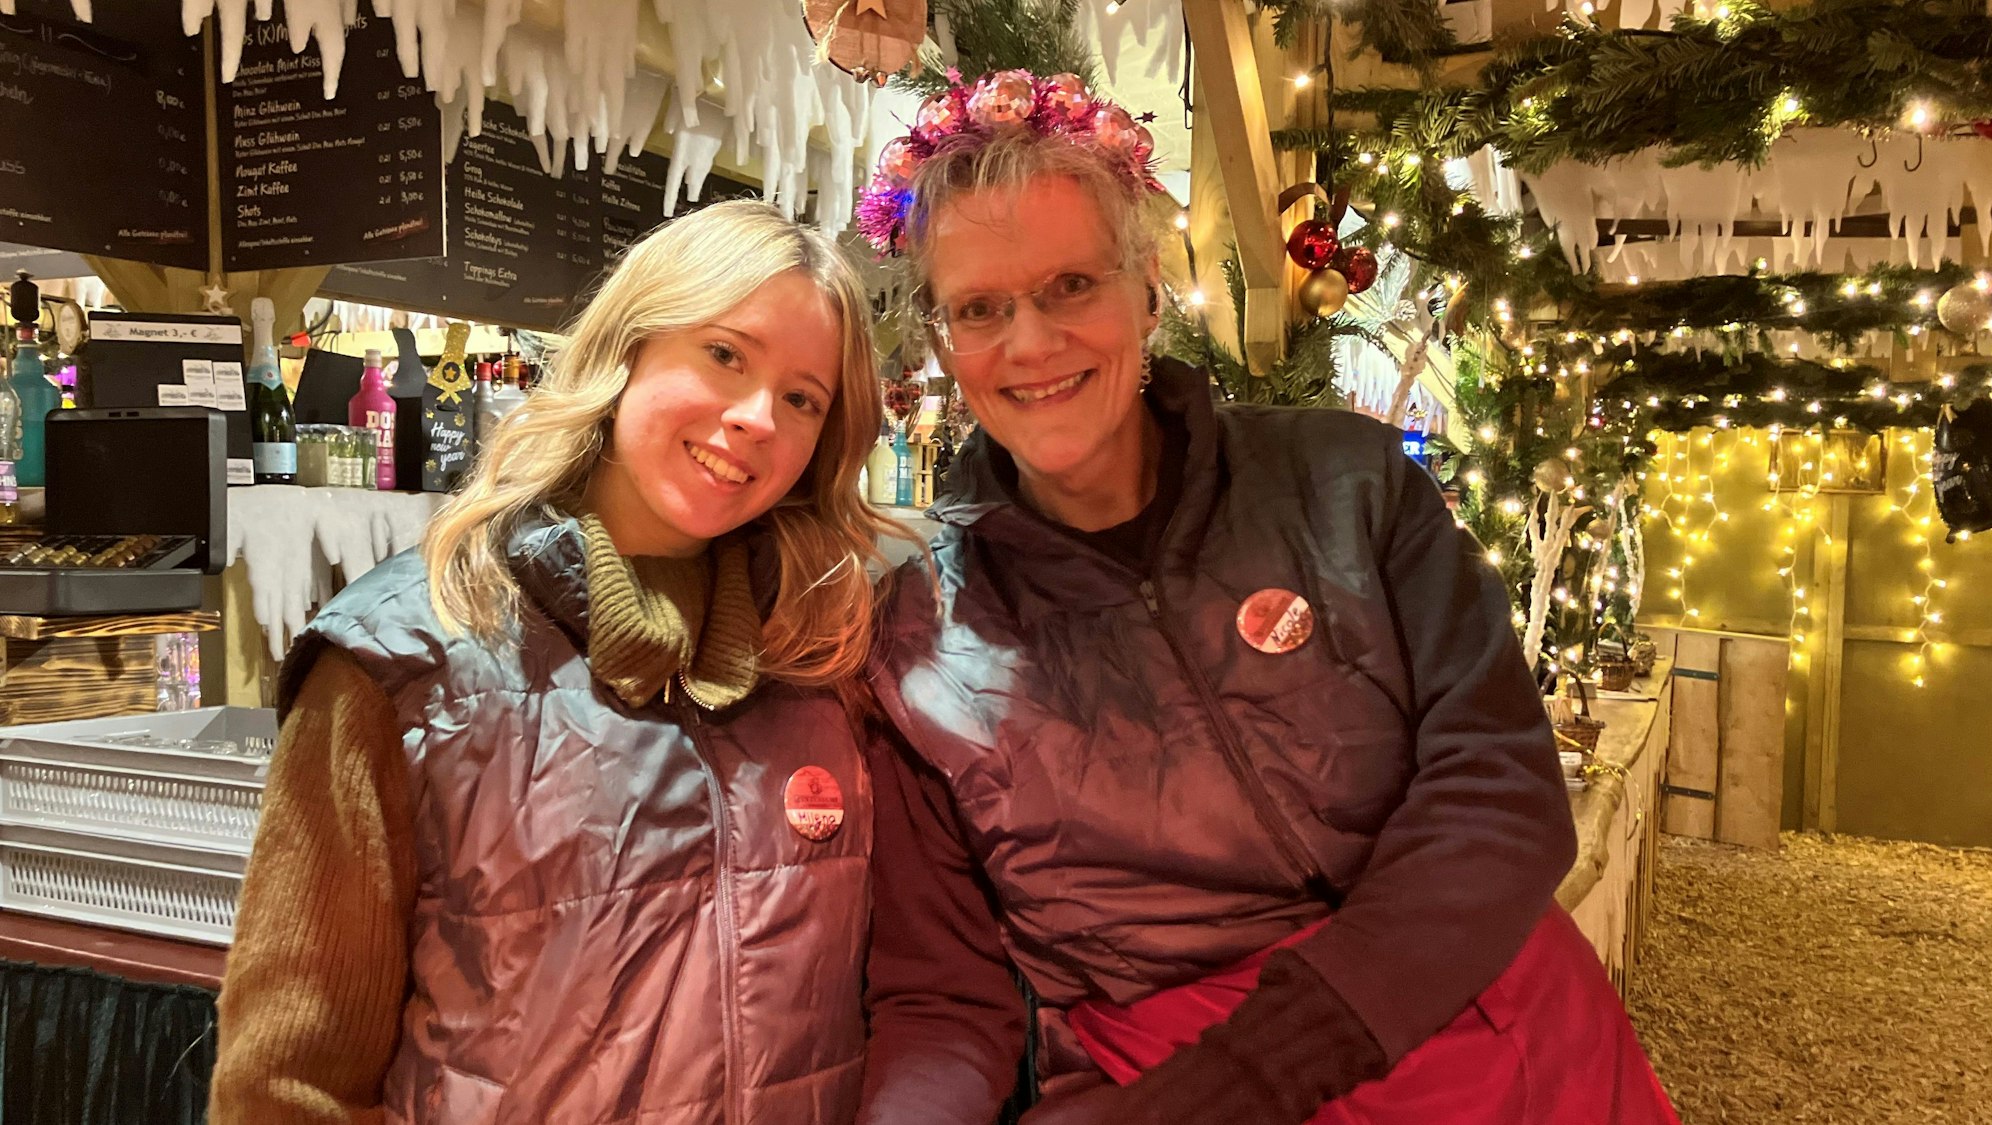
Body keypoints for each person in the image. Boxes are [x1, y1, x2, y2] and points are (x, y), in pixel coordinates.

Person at [854, 73, 1682, 1125]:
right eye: (980, 308)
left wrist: (1242, 1079)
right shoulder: (914, 631)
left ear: (1145, 288)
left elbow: (1499, 799)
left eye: (1070, 285)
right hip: (1139, 1086)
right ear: (941, 343)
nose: (1028, 343)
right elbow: (944, 996)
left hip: (1478, 1035)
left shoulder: (1350, 486)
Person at [209, 200, 913, 1124]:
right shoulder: (403, 657)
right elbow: (286, 1086)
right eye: (725, 354)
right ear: (628, 349)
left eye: (801, 398)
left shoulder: (829, 649)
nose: (755, 418)